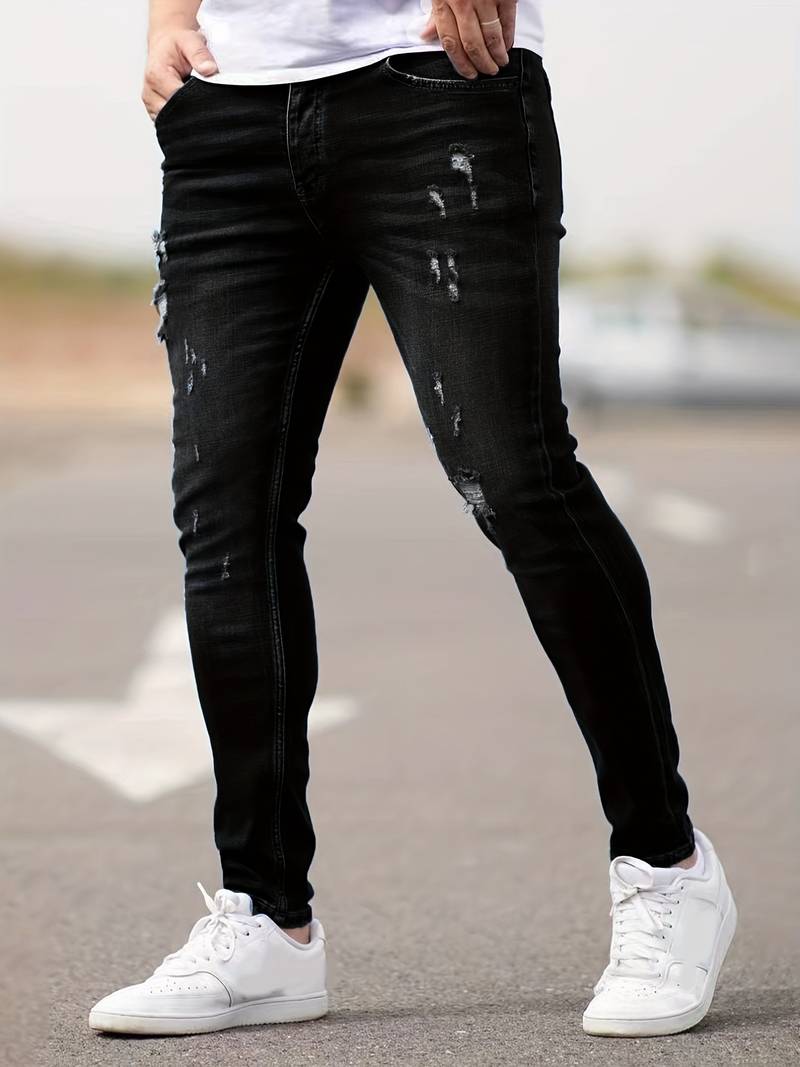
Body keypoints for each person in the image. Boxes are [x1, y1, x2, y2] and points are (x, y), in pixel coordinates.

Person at [89, 0, 737, 1040]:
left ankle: (666, 865)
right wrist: (169, 13)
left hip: (434, 82)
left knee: (515, 480)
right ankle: (265, 914)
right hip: (226, 114)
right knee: (227, 519)